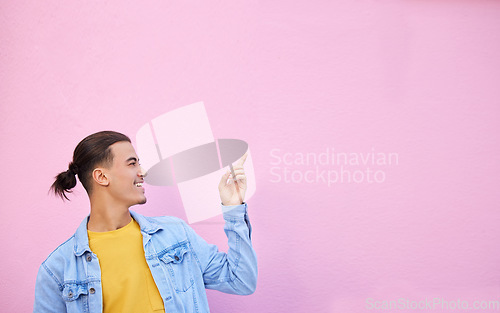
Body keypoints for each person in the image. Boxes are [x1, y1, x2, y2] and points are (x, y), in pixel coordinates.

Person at [33, 130, 257, 313]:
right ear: (102, 177)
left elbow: (241, 280)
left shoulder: (174, 234)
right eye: (132, 164)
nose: (143, 171)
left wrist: (233, 208)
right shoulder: (57, 269)